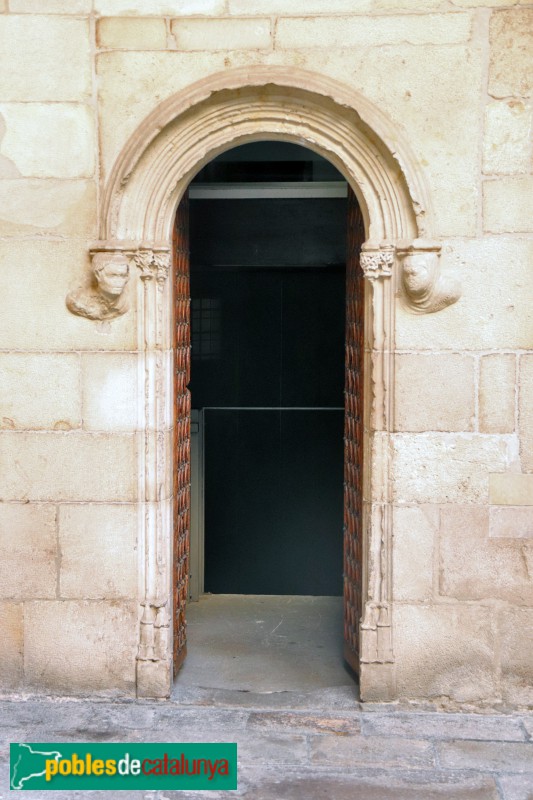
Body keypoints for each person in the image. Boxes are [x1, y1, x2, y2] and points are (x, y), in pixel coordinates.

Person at [67, 252, 129, 320]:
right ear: (97, 275)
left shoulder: (124, 303)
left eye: (123, 276)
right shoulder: (77, 300)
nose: (119, 281)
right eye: (112, 275)